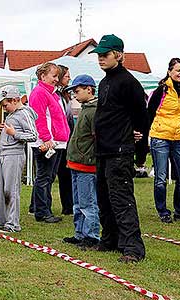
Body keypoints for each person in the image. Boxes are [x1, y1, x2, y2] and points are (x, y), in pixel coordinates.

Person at [89, 34, 147, 263]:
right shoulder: (104, 82)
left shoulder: (129, 82)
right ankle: (110, 239)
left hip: (120, 151)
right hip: (103, 150)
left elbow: (142, 117)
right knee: (104, 199)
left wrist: (140, 152)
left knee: (121, 199)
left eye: (105, 55)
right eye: (99, 55)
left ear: (119, 55)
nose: (100, 59)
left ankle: (133, 247)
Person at [147, 58, 180, 223]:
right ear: (170, 72)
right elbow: (150, 112)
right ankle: (163, 211)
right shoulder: (161, 90)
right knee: (161, 178)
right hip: (160, 137)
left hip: (178, 138)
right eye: (178, 70)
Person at [0, 85, 37, 232]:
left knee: (11, 190)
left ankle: (12, 224)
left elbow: (33, 135)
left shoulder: (24, 113)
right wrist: (7, 131)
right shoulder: (11, 114)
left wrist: (14, 133)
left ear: (15, 100)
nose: (4, 108)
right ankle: (0, 221)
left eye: (5, 105)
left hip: (14, 155)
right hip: (3, 155)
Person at [28, 62, 70, 223]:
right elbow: (39, 118)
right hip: (47, 143)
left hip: (57, 142)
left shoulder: (53, 94)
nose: (56, 79)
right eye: (54, 76)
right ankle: (42, 211)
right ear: (43, 76)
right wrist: (46, 139)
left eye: (57, 76)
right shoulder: (39, 93)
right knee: (44, 177)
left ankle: (42, 208)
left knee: (49, 177)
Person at [62, 75, 99, 248]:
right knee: (78, 203)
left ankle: (91, 235)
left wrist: (89, 156)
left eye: (77, 91)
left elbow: (97, 138)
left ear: (89, 89)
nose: (74, 95)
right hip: (75, 163)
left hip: (86, 165)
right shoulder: (85, 108)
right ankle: (79, 233)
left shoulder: (94, 110)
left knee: (87, 203)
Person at [56, 65, 74, 215]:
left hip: (68, 136)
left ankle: (68, 205)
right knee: (50, 175)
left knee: (66, 173)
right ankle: (36, 206)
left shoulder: (66, 95)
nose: (69, 78)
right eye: (67, 76)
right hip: (59, 138)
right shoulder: (56, 96)